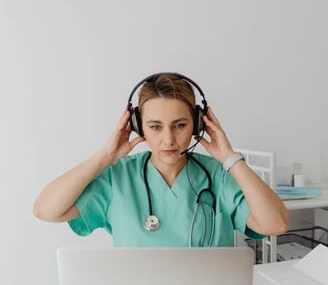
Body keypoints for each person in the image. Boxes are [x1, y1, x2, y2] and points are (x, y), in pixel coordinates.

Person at [33, 72, 289, 247]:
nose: (168, 139)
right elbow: (46, 210)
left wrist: (230, 158)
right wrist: (106, 156)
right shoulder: (117, 178)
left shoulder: (219, 176)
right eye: (155, 127)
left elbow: (276, 225)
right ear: (137, 126)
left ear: (198, 125)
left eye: (180, 125)